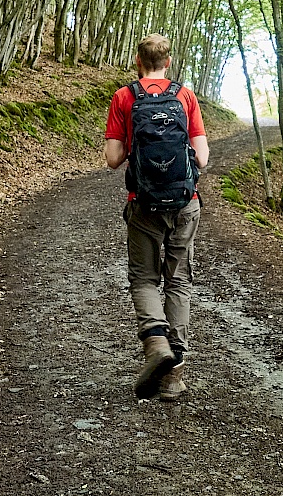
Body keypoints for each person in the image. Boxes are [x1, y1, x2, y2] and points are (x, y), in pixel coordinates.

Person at [104, 33, 209, 401]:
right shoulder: (185, 96)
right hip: (184, 202)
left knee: (144, 279)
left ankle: (155, 342)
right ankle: (174, 376)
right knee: (178, 281)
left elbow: (113, 158)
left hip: (143, 203)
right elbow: (202, 157)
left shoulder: (125, 97)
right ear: (168, 62)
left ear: (137, 60)